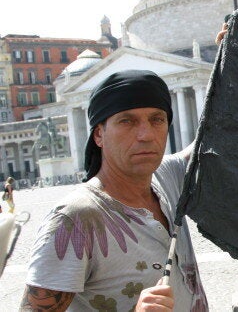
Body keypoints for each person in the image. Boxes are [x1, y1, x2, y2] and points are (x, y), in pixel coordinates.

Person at [21, 70, 208, 311]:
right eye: (127, 121)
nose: (146, 135)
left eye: (157, 119)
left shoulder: (166, 176)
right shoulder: (75, 219)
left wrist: (234, 57)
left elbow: (213, 133)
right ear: (99, 134)